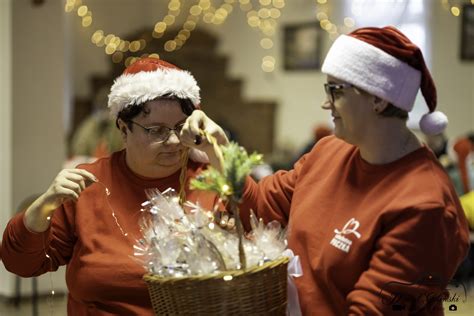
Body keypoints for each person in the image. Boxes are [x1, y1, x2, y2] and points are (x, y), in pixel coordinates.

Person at [182, 26, 470, 314]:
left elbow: (370, 310)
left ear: (378, 99)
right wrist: (217, 150)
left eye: (335, 91)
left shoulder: (425, 206)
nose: (326, 103)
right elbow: (262, 206)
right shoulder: (329, 151)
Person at [1, 58, 227, 315]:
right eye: (156, 130)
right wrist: (43, 206)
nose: (173, 140)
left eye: (179, 127)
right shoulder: (89, 184)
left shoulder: (212, 180)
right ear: (123, 129)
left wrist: (219, 153)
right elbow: (20, 263)